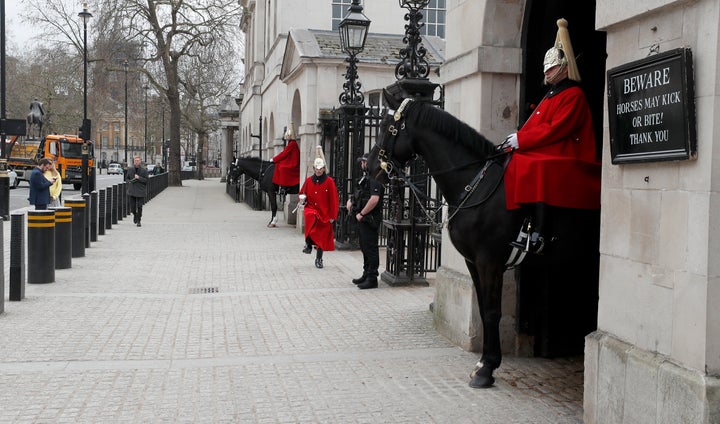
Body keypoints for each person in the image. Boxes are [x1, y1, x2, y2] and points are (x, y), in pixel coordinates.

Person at [503, 18, 601, 254]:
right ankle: (522, 222)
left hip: (571, 152)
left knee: (538, 166)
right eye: (546, 68)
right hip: (554, 146)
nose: (547, 72)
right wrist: (516, 139)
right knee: (515, 159)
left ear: (565, 67)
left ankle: (539, 232)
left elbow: (556, 129)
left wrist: (522, 140)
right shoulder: (551, 94)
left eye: (552, 68)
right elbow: (536, 125)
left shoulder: (573, 94)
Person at [346, 153, 384, 289]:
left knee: (370, 248)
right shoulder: (366, 178)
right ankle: (366, 273)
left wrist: (362, 213)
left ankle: (372, 278)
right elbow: (360, 193)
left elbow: (374, 199)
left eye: (363, 162)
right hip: (363, 218)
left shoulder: (375, 178)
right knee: (364, 246)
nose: (362, 164)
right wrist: (351, 201)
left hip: (369, 218)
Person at [299, 146, 339, 269]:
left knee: (321, 238)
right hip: (311, 209)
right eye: (316, 169)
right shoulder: (309, 180)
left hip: (325, 213)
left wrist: (333, 216)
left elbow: (334, 200)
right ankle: (308, 244)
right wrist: (303, 199)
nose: (318, 171)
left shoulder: (329, 182)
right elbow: (302, 193)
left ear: (323, 169)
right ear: (314, 169)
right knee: (310, 216)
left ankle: (319, 259)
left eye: (320, 169)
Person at [268, 124, 301, 227]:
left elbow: (284, 154)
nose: (286, 139)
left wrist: (274, 159)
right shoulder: (290, 143)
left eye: (287, 137)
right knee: (279, 166)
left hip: (294, 163)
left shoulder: (292, 144)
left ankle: (283, 187)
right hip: (291, 160)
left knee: (282, 168)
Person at [125, 155, 149, 227]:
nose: (136, 162)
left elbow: (146, 180)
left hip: (141, 191)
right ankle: (135, 215)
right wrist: (128, 182)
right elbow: (127, 178)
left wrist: (139, 178)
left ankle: (139, 220)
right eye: (135, 160)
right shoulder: (130, 169)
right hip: (132, 190)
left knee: (139, 206)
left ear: (140, 161)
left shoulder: (144, 170)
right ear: (134, 161)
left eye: (138, 160)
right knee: (132, 207)